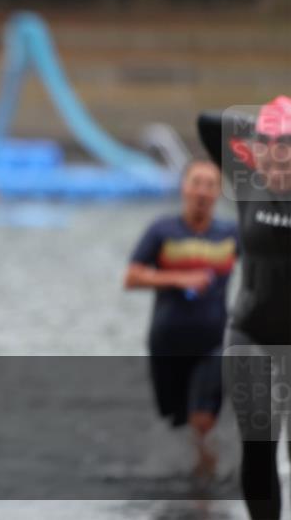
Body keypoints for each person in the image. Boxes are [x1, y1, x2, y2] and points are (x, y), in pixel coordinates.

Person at [198, 95, 291, 520]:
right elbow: (208, 120)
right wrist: (268, 125)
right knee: (258, 445)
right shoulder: (243, 175)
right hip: (251, 334)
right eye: (269, 162)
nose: (277, 173)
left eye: (287, 163)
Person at [124, 159, 239, 477]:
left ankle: (207, 480)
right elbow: (131, 278)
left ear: (218, 192)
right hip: (167, 342)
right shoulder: (162, 230)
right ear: (184, 188)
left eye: (210, 184)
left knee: (202, 420)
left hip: (213, 343)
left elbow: (267, 263)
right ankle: (186, 479)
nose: (202, 191)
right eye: (196, 183)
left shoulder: (230, 234)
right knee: (175, 422)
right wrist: (178, 279)